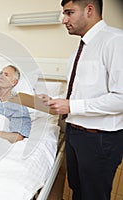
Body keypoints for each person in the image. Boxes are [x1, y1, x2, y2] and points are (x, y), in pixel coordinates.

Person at [41, 0, 123, 199]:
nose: (64, 20)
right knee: (78, 191)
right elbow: (83, 92)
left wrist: (70, 105)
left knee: (93, 195)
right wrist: (57, 101)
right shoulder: (82, 48)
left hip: (99, 139)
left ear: (89, 10)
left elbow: (120, 98)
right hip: (75, 133)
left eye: (69, 13)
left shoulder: (115, 41)